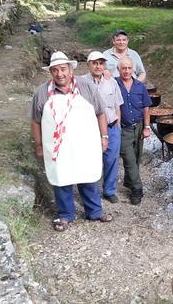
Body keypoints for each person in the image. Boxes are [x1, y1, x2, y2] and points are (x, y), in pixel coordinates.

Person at [31, 51, 113, 231]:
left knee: (88, 177)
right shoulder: (42, 93)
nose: (60, 74)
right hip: (58, 147)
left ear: (71, 70)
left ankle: (94, 211)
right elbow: (36, 121)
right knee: (61, 179)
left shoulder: (86, 86)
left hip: (84, 144)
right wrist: (39, 146)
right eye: (55, 71)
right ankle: (65, 215)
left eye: (63, 69)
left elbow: (100, 112)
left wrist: (104, 136)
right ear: (50, 73)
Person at [79, 51, 124, 203]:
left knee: (111, 159)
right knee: (92, 160)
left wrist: (118, 123)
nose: (98, 66)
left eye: (101, 63)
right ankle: (91, 191)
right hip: (91, 129)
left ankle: (109, 190)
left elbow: (117, 103)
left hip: (112, 127)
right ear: (88, 65)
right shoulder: (81, 83)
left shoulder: (110, 81)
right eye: (95, 63)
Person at [116, 57, 152, 205]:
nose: (126, 71)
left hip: (138, 126)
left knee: (136, 158)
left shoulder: (139, 86)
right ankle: (137, 189)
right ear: (119, 70)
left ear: (133, 70)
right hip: (123, 129)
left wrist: (147, 127)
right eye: (123, 68)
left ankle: (129, 183)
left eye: (129, 68)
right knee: (129, 160)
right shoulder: (113, 84)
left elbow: (146, 108)